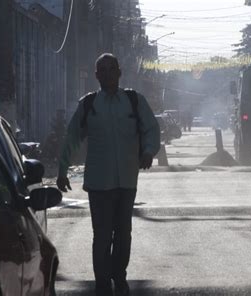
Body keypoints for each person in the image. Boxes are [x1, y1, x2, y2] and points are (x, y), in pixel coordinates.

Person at [56, 53, 160, 296]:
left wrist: (147, 152)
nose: (108, 74)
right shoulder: (89, 105)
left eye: (111, 69)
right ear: (96, 76)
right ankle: (103, 282)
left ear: (119, 72)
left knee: (123, 234)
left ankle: (119, 275)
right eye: (102, 71)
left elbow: (151, 129)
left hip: (126, 181)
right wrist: (62, 170)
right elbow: (72, 138)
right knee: (102, 236)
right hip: (98, 184)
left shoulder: (134, 101)